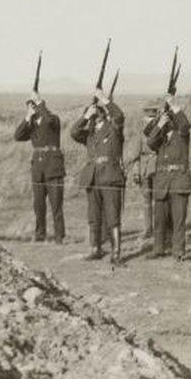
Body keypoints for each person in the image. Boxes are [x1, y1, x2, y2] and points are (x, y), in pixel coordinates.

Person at [70, 89, 126, 263]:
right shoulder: (90, 134)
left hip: (110, 177)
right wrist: (86, 116)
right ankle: (96, 248)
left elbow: (119, 115)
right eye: (94, 114)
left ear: (104, 114)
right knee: (94, 216)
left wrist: (104, 99)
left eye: (97, 112)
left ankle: (116, 253)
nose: (96, 116)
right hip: (93, 178)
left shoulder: (114, 128)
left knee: (112, 216)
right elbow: (74, 132)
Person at [13, 91, 65, 244]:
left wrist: (40, 102)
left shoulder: (53, 119)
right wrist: (27, 117)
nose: (31, 107)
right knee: (38, 205)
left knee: (56, 203)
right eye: (29, 105)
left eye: (32, 105)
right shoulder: (32, 124)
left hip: (53, 167)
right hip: (38, 169)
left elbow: (48, 121)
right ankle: (40, 233)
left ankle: (59, 236)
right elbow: (17, 136)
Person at [146, 93, 191, 262]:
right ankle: (158, 248)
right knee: (159, 218)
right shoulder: (159, 137)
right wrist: (159, 125)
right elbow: (149, 142)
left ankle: (178, 252)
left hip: (179, 180)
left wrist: (173, 105)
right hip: (162, 181)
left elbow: (185, 124)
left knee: (178, 219)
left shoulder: (182, 134)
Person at [126, 107, 159, 238]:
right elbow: (136, 155)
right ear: (144, 120)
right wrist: (136, 172)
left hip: (158, 168)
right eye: (148, 119)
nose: (150, 121)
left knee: (159, 200)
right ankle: (148, 228)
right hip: (145, 170)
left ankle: (159, 228)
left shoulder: (160, 132)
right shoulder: (140, 135)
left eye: (152, 119)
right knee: (146, 200)